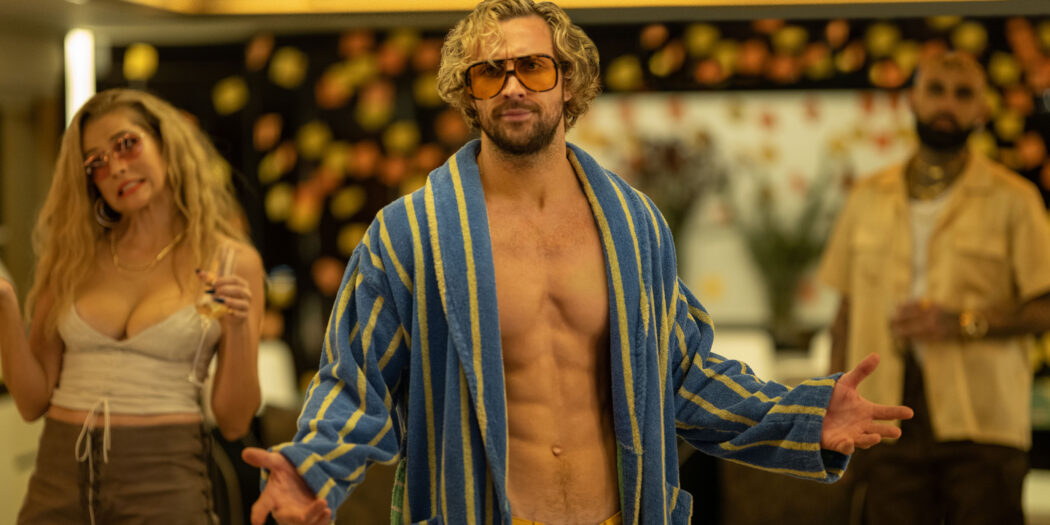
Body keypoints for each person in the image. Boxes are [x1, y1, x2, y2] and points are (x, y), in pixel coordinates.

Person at [242, 1, 912, 524]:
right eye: (489, 72)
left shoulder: (634, 227)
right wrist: (310, 468)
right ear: (468, 95)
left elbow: (685, 375)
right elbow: (353, 384)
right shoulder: (410, 234)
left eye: (533, 67)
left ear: (569, 83)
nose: (512, 86)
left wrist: (804, 415)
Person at [0, 88, 265, 524]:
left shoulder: (230, 261)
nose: (116, 168)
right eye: (96, 162)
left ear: (164, 143)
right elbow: (31, 402)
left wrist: (237, 328)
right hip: (59, 475)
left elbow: (235, 423)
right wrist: (6, 304)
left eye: (126, 144)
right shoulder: (71, 259)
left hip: (164, 478)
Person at [819, 51, 1050, 525]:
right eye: (936, 90)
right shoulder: (867, 196)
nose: (947, 104)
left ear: (982, 109)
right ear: (912, 99)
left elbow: (1045, 305)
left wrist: (963, 322)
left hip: (983, 422)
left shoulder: (1016, 200)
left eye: (963, 94)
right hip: (883, 418)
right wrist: (830, 404)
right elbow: (845, 313)